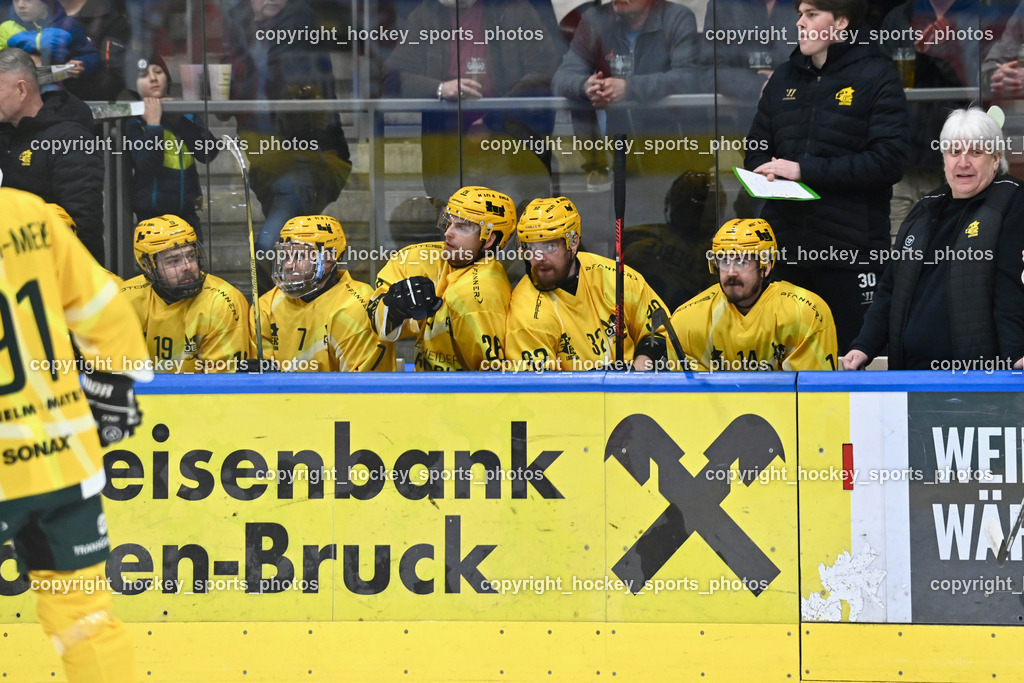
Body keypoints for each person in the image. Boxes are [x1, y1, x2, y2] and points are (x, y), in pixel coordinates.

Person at [0, 188, 149, 682]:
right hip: (59, 458)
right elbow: (102, 306)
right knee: (84, 619)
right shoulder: (26, 213)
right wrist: (115, 384)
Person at [744, 0, 908, 353]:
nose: (800, 23)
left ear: (841, 23)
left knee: (851, 363)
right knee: (785, 362)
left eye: (812, 15)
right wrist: (768, 170)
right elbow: (756, 148)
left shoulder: (877, 75)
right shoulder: (784, 77)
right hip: (787, 250)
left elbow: (889, 161)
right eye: (800, 15)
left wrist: (804, 171)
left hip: (850, 253)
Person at [845, 107, 1024, 371]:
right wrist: (864, 346)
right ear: (944, 160)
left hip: (976, 381)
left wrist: (1016, 352)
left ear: (995, 159)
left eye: (976, 152)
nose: (963, 163)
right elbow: (891, 288)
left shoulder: (1011, 201)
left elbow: (1011, 285)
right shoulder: (925, 207)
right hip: (911, 376)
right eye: (954, 152)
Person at [383, 0, 559, 206]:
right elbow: (390, 77)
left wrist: (491, 122)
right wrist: (439, 88)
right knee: (457, 229)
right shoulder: (426, 15)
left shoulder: (514, 10)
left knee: (514, 228)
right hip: (450, 151)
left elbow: (544, 73)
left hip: (511, 150)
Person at [222, 0, 352, 271]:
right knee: (291, 245)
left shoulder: (298, 18)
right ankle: (286, 307)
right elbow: (230, 97)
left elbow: (275, 77)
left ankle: (275, 299)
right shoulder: (237, 23)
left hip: (304, 153)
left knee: (273, 247)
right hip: (263, 152)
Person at [635, 218, 839, 371]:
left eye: (741, 261)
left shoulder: (806, 312)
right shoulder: (687, 320)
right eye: (724, 261)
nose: (731, 272)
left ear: (765, 266)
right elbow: (690, 404)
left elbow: (811, 399)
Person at [551, 0, 703, 200]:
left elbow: (688, 78)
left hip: (665, 145)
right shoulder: (595, 19)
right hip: (616, 150)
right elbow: (562, 78)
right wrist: (586, 86)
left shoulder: (676, 17)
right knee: (621, 219)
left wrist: (629, 88)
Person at [505, 195, 667, 370]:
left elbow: (661, 330)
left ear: (573, 242)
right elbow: (542, 392)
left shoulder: (614, 275)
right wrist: (599, 382)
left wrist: (636, 373)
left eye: (549, 246)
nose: (538, 257)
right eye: (531, 248)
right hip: (577, 396)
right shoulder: (527, 312)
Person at [368, 185, 515, 371]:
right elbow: (376, 320)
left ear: (490, 240)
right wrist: (395, 310)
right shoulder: (415, 258)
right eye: (449, 222)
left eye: (462, 227)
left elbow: (490, 381)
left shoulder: (482, 293)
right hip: (425, 390)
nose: (447, 232)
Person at [0, 47, 105, 263]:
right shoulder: (6, 134)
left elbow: (82, 223)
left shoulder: (70, 139)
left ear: (21, 89)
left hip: (60, 275)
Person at [252, 215, 395, 372]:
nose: (288, 265)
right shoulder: (267, 305)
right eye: (285, 255)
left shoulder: (356, 305)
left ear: (328, 259)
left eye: (299, 256)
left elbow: (359, 389)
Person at [120, 215, 250, 373]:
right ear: (148, 266)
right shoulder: (125, 300)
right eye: (174, 261)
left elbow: (222, 387)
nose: (188, 267)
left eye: (190, 256)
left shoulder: (222, 302)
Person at [124, 54, 219, 232]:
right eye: (144, 75)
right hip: (151, 216)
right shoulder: (135, 123)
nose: (153, 77)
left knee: (194, 259)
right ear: (134, 85)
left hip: (186, 213)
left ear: (167, 78)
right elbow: (147, 164)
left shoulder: (186, 115)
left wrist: (179, 121)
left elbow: (209, 153)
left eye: (158, 72)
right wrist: (153, 125)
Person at [0, 0, 95, 83]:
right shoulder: (6, 28)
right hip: (16, 92)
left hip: (61, 90)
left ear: (45, 3)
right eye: (15, 0)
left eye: (28, 0)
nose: (20, 5)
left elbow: (91, 54)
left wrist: (82, 64)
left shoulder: (67, 26)